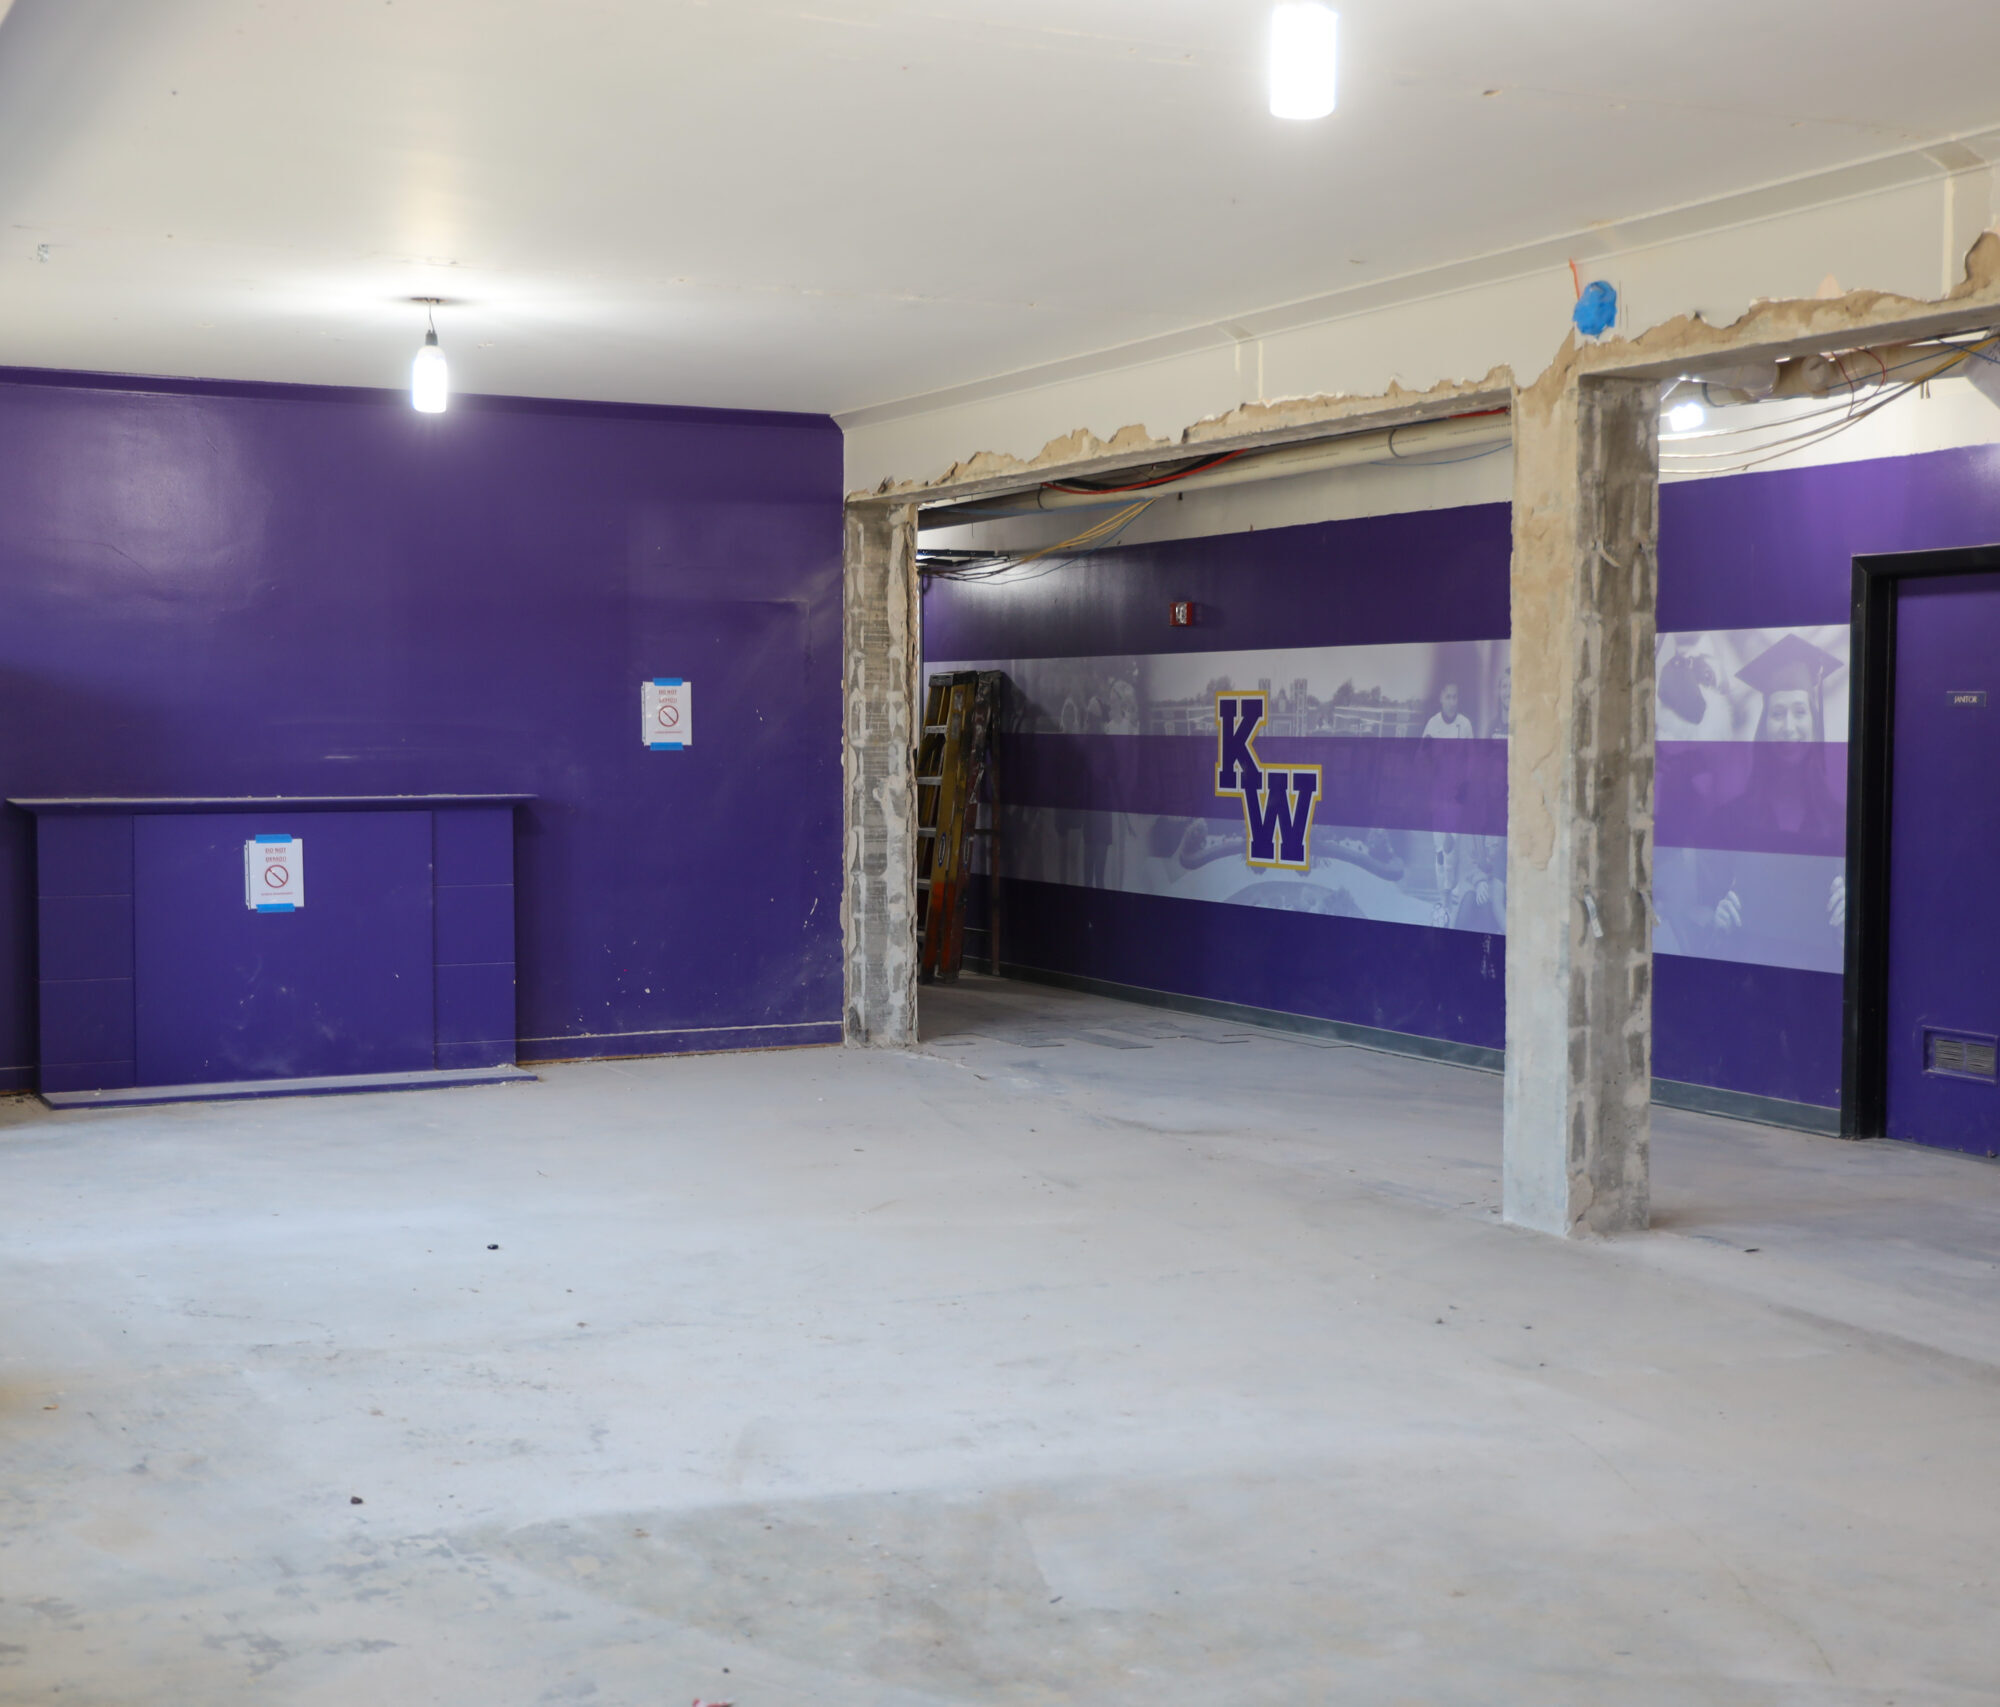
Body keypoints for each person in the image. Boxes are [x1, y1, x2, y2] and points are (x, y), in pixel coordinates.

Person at [1688, 632, 1847, 955]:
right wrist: (1715, 918)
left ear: (1815, 724)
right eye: (1778, 713)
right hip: (1748, 979)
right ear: (1764, 726)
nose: (1789, 727)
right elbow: (1693, 907)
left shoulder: (1843, 822)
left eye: (1800, 712)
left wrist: (1853, 909)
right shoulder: (1728, 820)